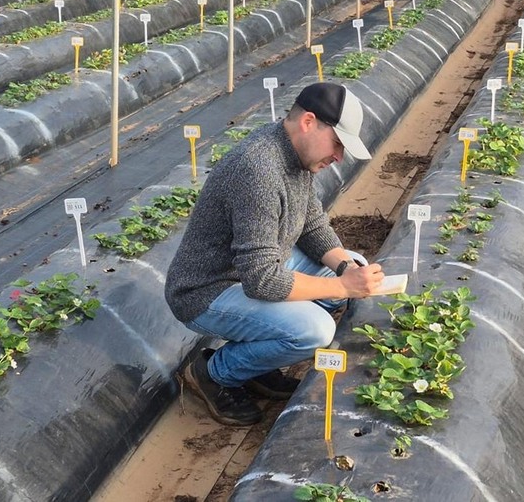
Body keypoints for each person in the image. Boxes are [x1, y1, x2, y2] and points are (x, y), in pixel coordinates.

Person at [164, 82, 387, 426]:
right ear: (309, 122)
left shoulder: (295, 154)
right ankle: (214, 372)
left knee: (352, 262)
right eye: (338, 144)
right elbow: (262, 281)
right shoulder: (258, 170)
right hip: (209, 289)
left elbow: (311, 224)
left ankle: (256, 362)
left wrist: (345, 269)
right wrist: (344, 288)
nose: (339, 158)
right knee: (314, 331)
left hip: (259, 266)